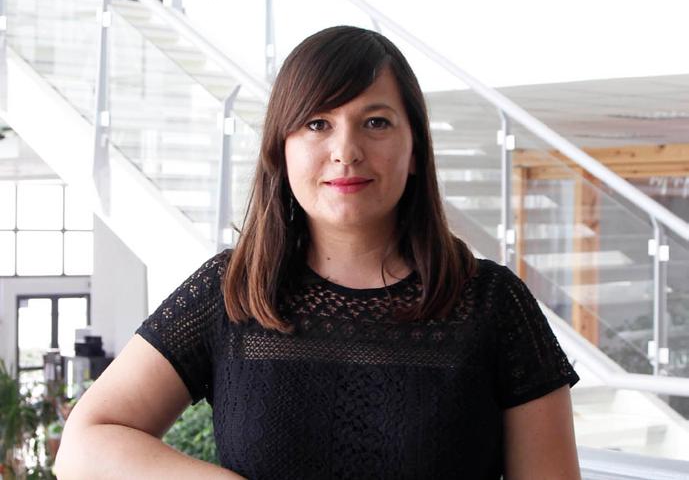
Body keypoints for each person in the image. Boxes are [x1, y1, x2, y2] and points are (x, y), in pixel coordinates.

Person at [56, 26, 581, 479]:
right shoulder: (232, 290)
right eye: (316, 123)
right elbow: (84, 445)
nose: (345, 151)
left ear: (416, 150)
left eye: (376, 122)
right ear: (280, 150)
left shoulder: (493, 302)